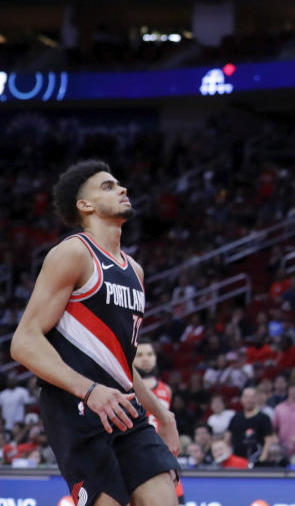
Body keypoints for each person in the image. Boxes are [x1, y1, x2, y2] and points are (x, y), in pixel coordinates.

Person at [10, 160, 180, 505]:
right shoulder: (73, 253)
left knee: (163, 497)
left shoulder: (135, 270)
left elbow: (120, 361)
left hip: (124, 407)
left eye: (119, 184)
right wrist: (89, 391)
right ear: (84, 205)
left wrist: (162, 414)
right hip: (75, 407)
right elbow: (23, 341)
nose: (122, 189)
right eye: (107, 186)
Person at [134, 339, 187, 505]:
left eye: (150, 354)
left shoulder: (166, 389)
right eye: (140, 355)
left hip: (162, 457)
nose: (145, 359)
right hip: (135, 454)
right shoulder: (126, 387)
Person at [227, 387, 273, 463]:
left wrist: (264, 454)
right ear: (241, 399)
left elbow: (268, 438)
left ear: (256, 398)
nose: (249, 400)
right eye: (246, 397)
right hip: (237, 460)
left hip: (256, 459)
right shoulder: (235, 417)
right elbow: (228, 437)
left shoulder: (264, 417)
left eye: (252, 397)